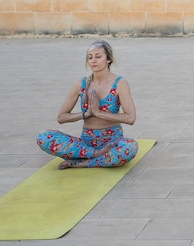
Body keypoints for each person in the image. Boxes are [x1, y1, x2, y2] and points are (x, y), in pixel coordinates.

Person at [36, 40, 139, 169]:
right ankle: (96, 155)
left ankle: (85, 162)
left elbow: (130, 118)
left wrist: (99, 113)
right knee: (43, 137)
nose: (93, 60)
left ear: (108, 59)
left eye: (98, 56)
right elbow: (61, 117)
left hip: (112, 142)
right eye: (90, 57)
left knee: (130, 147)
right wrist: (86, 114)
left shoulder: (119, 83)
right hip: (85, 144)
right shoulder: (82, 84)